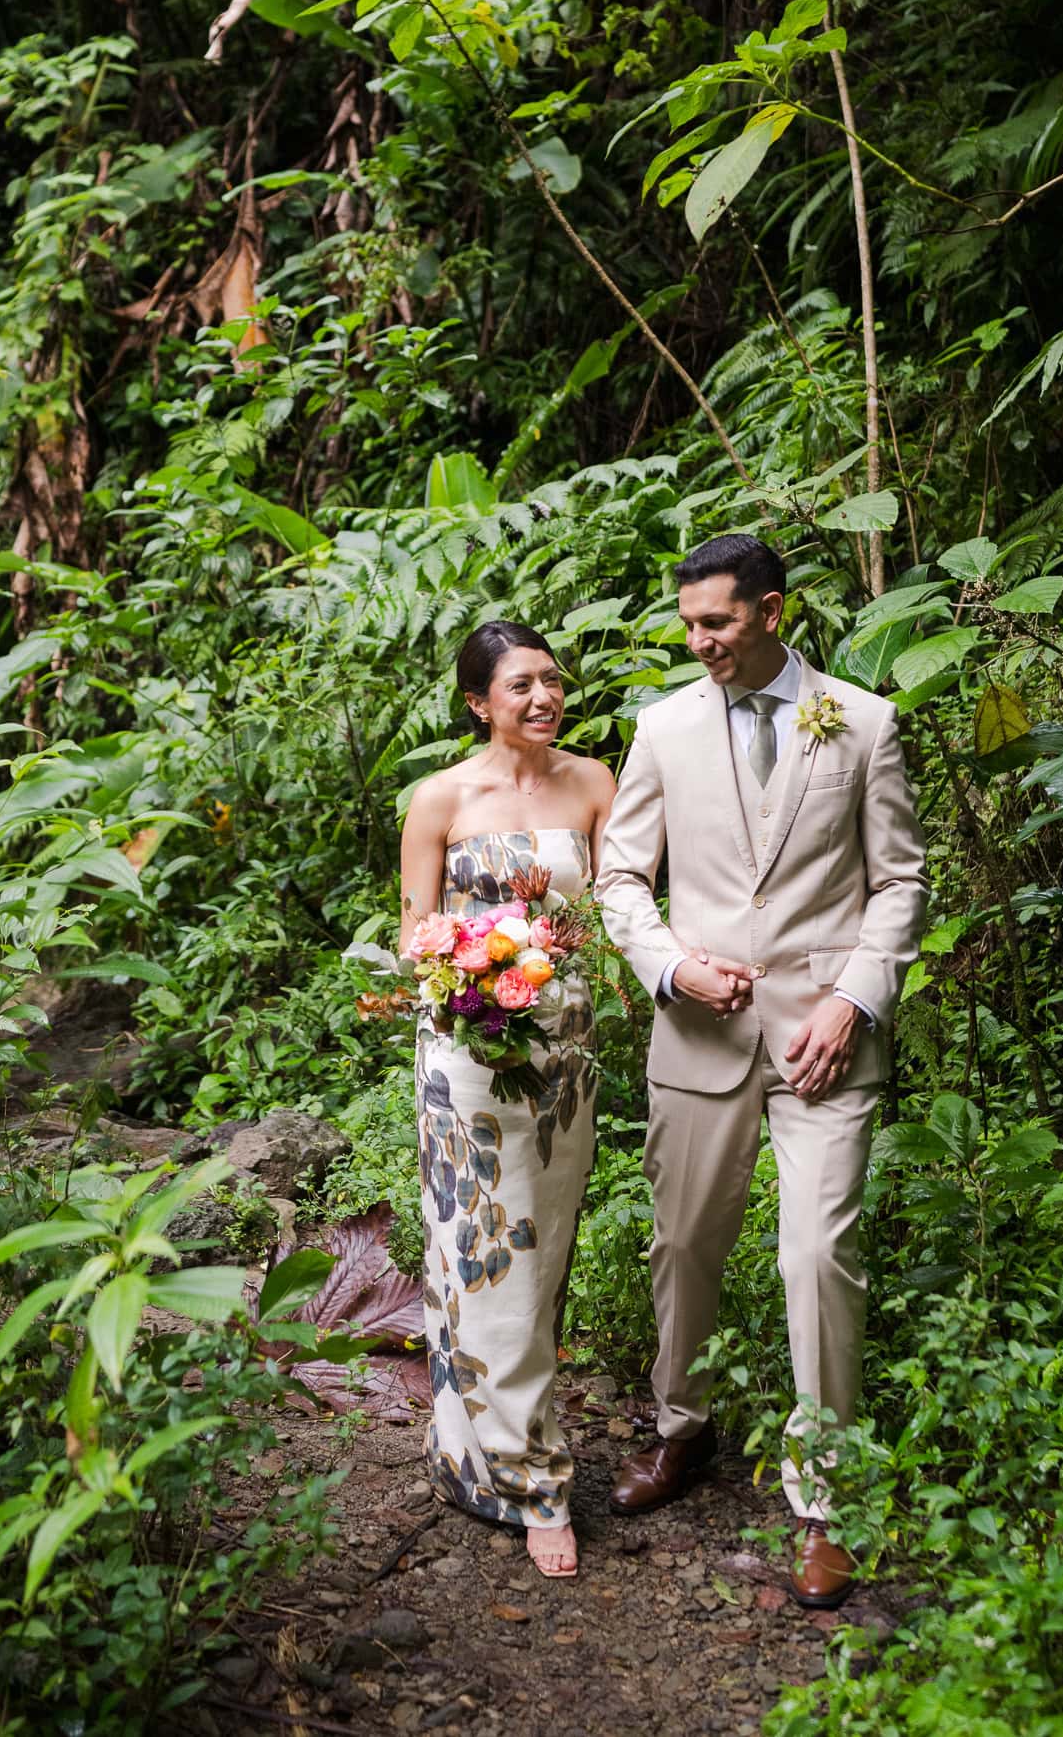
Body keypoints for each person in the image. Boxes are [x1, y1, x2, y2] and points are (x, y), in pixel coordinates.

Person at [596, 533, 928, 1608]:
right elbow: (619, 879)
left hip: (824, 1044)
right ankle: (681, 1425)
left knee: (818, 1252)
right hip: (698, 1037)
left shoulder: (865, 721)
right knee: (684, 1241)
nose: (701, 643)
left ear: (772, 611)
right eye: (689, 623)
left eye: (719, 623)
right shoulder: (661, 726)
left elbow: (900, 883)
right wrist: (671, 964)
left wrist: (854, 997)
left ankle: (825, 1500)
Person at [400, 620, 615, 1579]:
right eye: (520, 685)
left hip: (565, 1051)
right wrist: (469, 976)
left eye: (552, 682)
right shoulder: (439, 798)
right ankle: (534, 1481)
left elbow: (617, 911)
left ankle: (475, 1445)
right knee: (483, 1249)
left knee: (542, 1252)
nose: (543, 698)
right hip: (468, 1054)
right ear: (478, 702)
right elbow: (417, 934)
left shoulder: (594, 784)